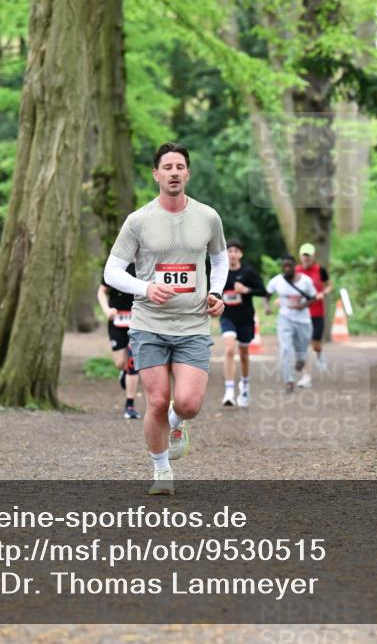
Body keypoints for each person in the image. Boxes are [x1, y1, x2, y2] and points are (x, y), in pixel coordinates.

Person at [103, 142, 228, 496]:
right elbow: (112, 270)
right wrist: (144, 288)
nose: (174, 172)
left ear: (187, 173)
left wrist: (216, 293)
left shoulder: (208, 217)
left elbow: (219, 260)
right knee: (157, 400)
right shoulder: (138, 221)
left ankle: (176, 423)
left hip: (193, 325)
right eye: (167, 167)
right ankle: (161, 470)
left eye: (180, 166)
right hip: (149, 326)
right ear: (156, 174)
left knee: (188, 403)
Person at [218, 238, 268, 407]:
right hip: (228, 318)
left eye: (235, 251)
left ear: (240, 254)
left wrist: (246, 290)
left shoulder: (248, 272)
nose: (232, 254)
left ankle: (245, 386)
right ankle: (229, 392)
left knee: (244, 354)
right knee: (229, 349)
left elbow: (263, 291)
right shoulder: (221, 272)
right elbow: (212, 291)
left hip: (246, 319)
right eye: (229, 251)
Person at [266, 255, 317, 394]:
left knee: (302, 350)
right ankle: (288, 381)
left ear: (295, 266)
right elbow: (267, 294)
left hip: (303, 321)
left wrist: (303, 305)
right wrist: (267, 306)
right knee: (285, 349)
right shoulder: (277, 281)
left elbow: (314, 297)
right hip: (285, 319)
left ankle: (301, 360)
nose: (286, 268)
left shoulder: (306, 281)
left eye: (289, 265)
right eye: (284, 266)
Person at [97, 262, 141, 420]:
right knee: (120, 363)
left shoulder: (145, 265)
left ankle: (130, 405)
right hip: (117, 320)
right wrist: (106, 310)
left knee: (132, 362)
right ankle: (123, 373)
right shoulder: (114, 266)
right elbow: (101, 291)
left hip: (138, 320)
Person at [295, 242, 332, 388]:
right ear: (300, 256)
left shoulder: (320, 270)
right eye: (304, 256)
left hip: (317, 312)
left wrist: (323, 292)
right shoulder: (295, 272)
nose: (306, 258)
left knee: (315, 344)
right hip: (300, 314)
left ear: (313, 256)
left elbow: (329, 285)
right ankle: (306, 377)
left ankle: (320, 354)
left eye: (308, 256)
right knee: (304, 345)